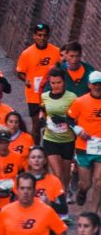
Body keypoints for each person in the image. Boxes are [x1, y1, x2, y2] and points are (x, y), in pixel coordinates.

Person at [16, 23, 61, 143]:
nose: (42, 38)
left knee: (50, 125)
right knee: (36, 124)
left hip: (52, 94)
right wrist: (25, 80)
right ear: (34, 36)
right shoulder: (27, 53)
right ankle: (35, 149)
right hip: (34, 95)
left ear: (48, 37)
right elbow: (20, 72)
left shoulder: (56, 52)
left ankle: (49, 151)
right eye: (39, 35)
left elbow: (62, 70)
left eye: (44, 35)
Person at [39, 66, 76, 196]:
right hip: (50, 139)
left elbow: (76, 118)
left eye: (59, 82)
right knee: (58, 173)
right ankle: (57, 200)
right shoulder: (44, 96)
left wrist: (63, 119)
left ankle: (64, 193)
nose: (56, 86)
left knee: (65, 175)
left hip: (67, 140)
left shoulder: (72, 97)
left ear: (64, 82)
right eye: (53, 83)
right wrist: (42, 120)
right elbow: (42, 113)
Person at [66, 70, 101, 208]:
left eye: (99, 84)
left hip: (100, 147)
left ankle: (93, 214)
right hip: (84, 146)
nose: (97, 87)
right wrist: (78, 130)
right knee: (86, 184)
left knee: (99, 182)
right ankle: (82, 191)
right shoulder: (80, 101)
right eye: (95, 84)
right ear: (89, 85)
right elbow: (69, 118)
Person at [0, 173, 67, 235]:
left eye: (29, 188)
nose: (25, 192)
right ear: (17, 190)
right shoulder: (5, 211)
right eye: (22, 188)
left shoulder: (47, 211)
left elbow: (62, 232)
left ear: (34, 191)